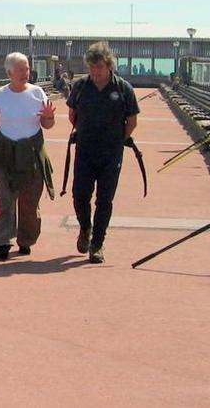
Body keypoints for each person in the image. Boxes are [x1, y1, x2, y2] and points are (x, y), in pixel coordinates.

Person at [66, 42, 139, 264]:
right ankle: (85, 228)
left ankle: (97, 243)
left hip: (111, 153)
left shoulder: (123, 88)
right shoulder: (80, 87)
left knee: (105, 200)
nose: (95, 72)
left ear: (109, 66)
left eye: (99, 67)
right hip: (85, 150)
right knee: (79, 195)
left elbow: (132, 121)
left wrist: (118, 140)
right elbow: (72, 115)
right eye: (91, 67)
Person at [0, 53, 55, 261]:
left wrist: (49, 116)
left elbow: (47, 125)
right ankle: (2, 242)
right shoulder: (0, 95)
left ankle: (25, 239)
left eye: (27, 69)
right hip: (3, 153)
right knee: (5, 199)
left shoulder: (38, 93)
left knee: (29, 201)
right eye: (20, 69)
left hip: (31, 154)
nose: (25, 73)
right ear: (9, 72)